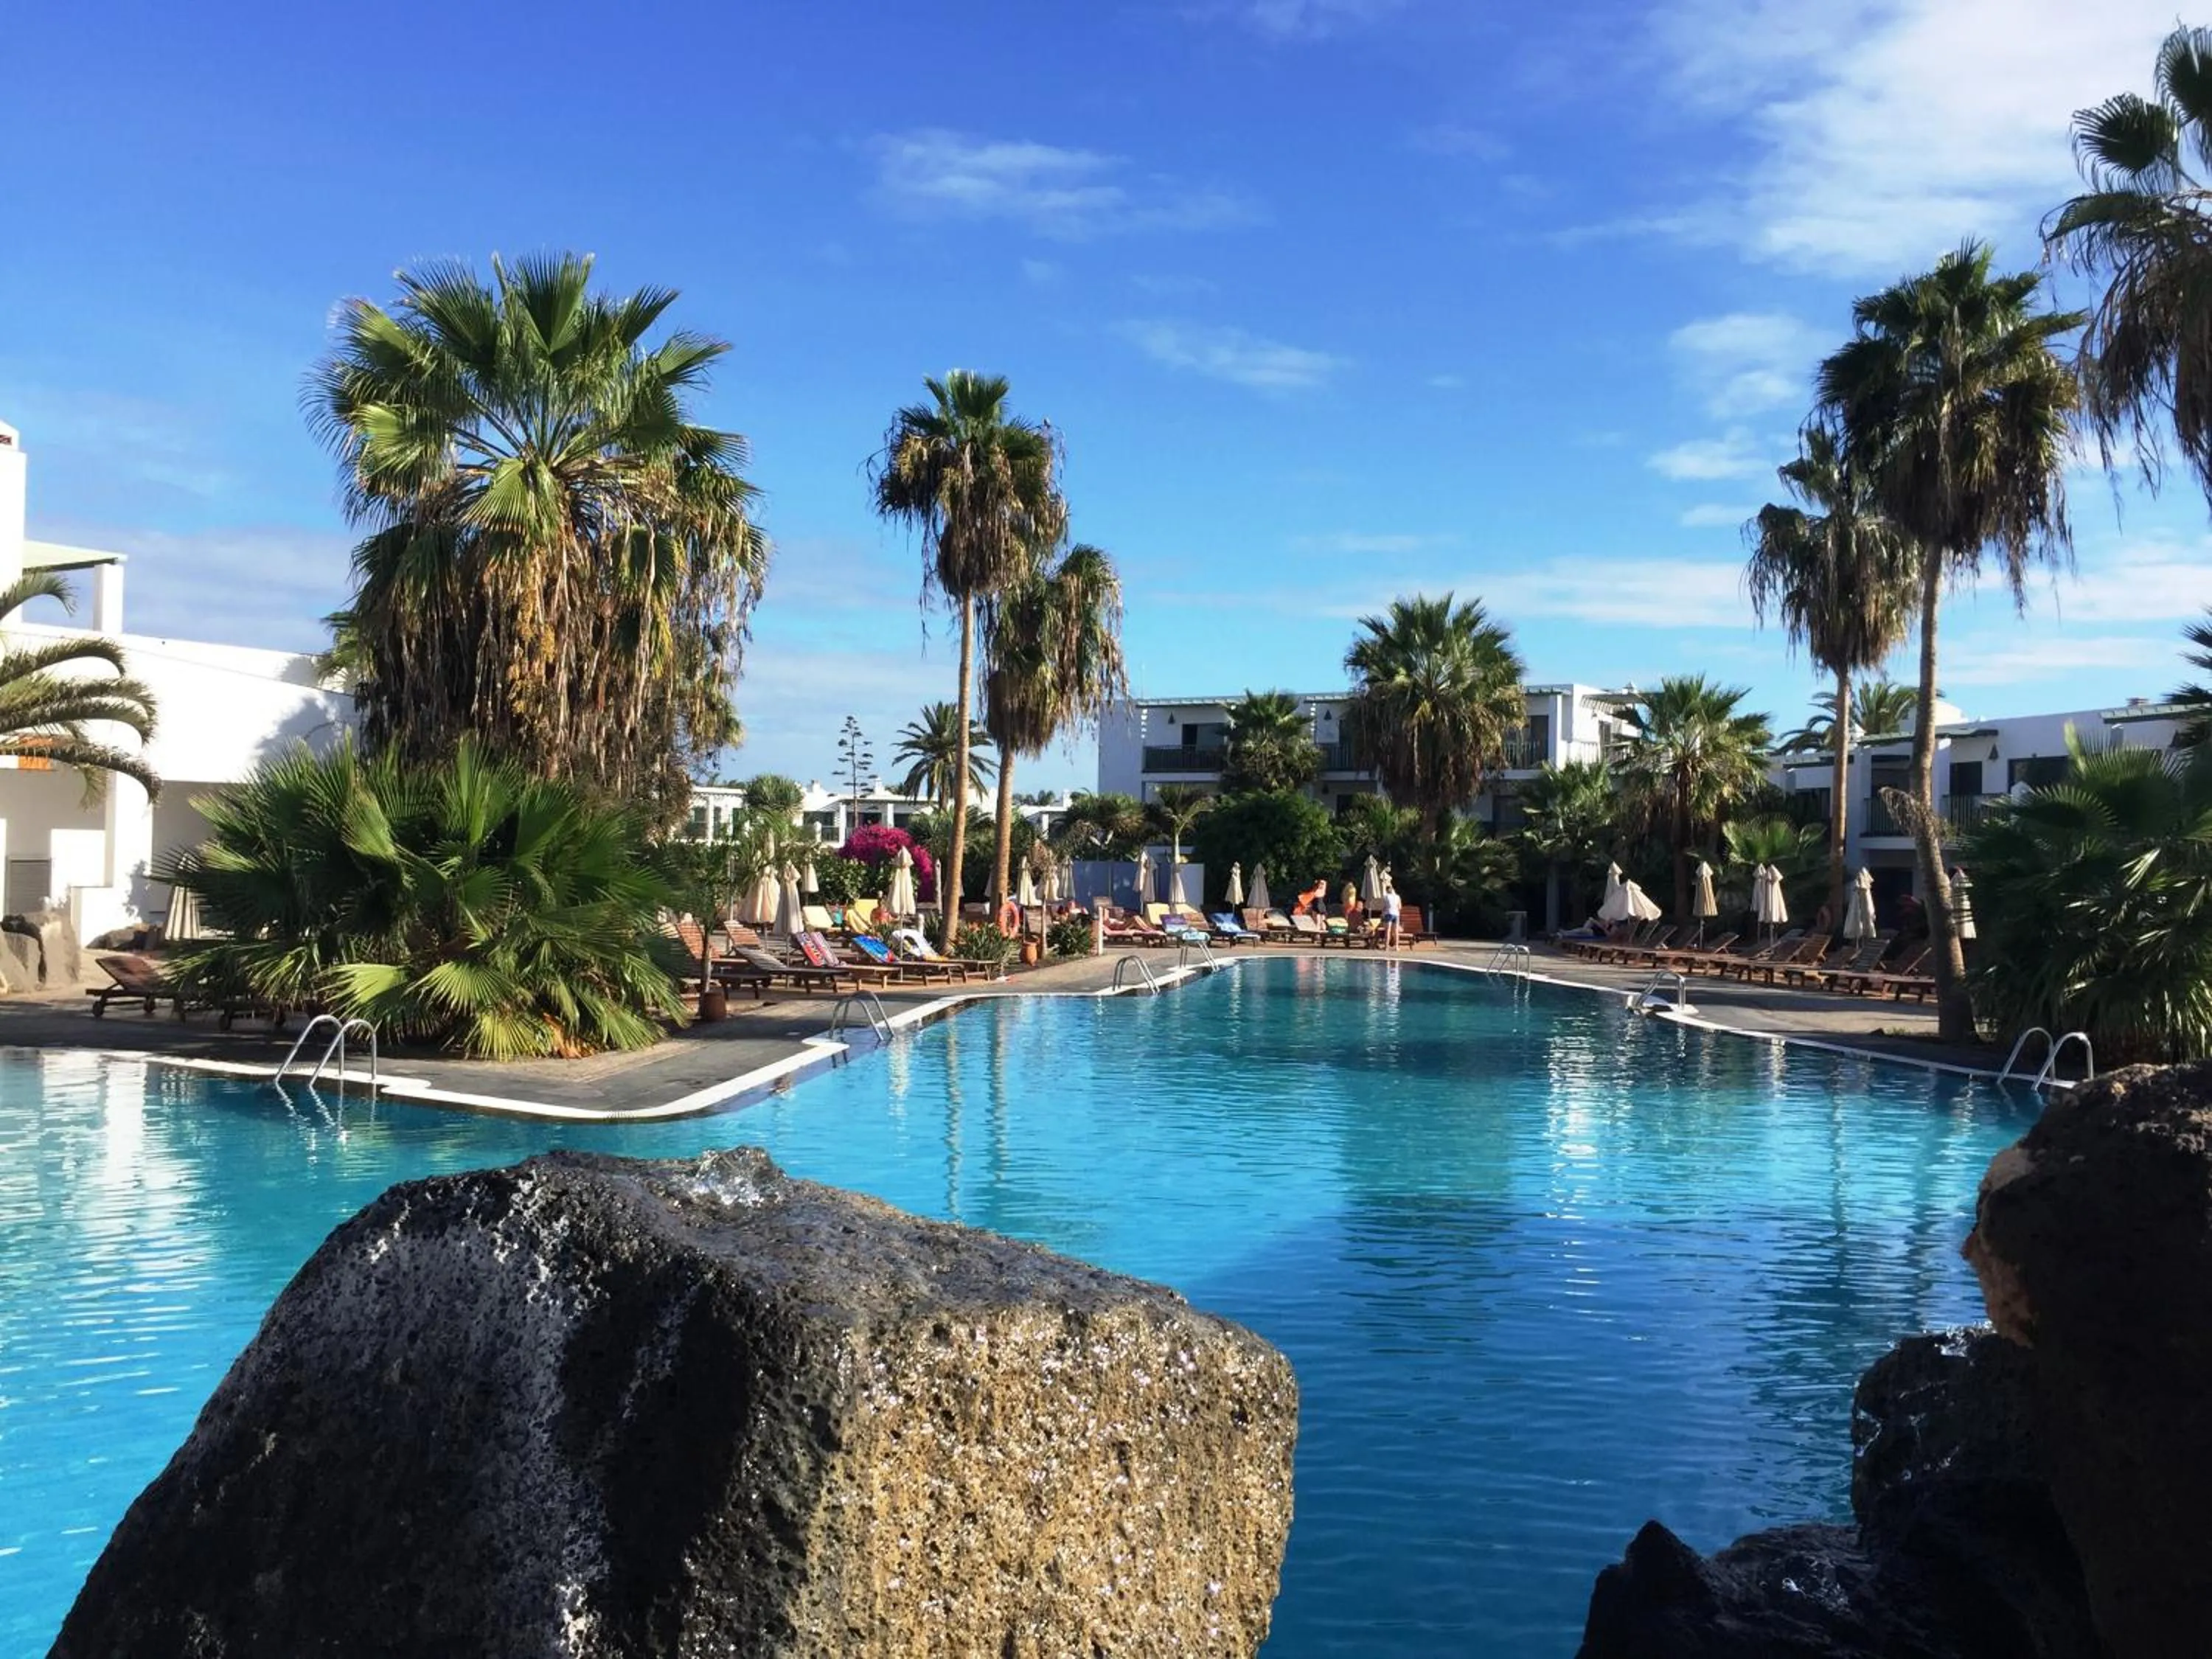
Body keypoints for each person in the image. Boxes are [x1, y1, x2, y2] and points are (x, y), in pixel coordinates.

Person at [1382, 881, 1403, 949]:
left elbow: (1384, 907)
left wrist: (1383, 914)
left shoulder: (1386, 897)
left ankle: (1386, 946)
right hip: (1396, 915)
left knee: (1388, 930)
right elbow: (1400, 907)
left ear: (1387, 891)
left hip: (1389, 913)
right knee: (1396, 931)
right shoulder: (1398, 897)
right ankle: (1397, 946)